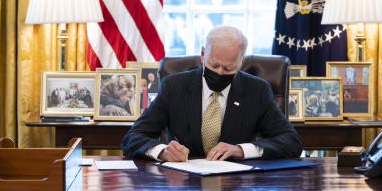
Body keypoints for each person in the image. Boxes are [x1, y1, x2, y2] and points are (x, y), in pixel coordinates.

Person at [122, 26, 302, 161]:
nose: (220, 73)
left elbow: (291, 141)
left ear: (240, 63)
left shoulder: (257, 90)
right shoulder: (174, 87)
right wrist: (162, 151)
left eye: (229, 68)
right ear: (202, 54)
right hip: (183, 185)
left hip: (237, 186)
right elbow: (133, 138)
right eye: (214, 65)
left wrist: (240, 150)